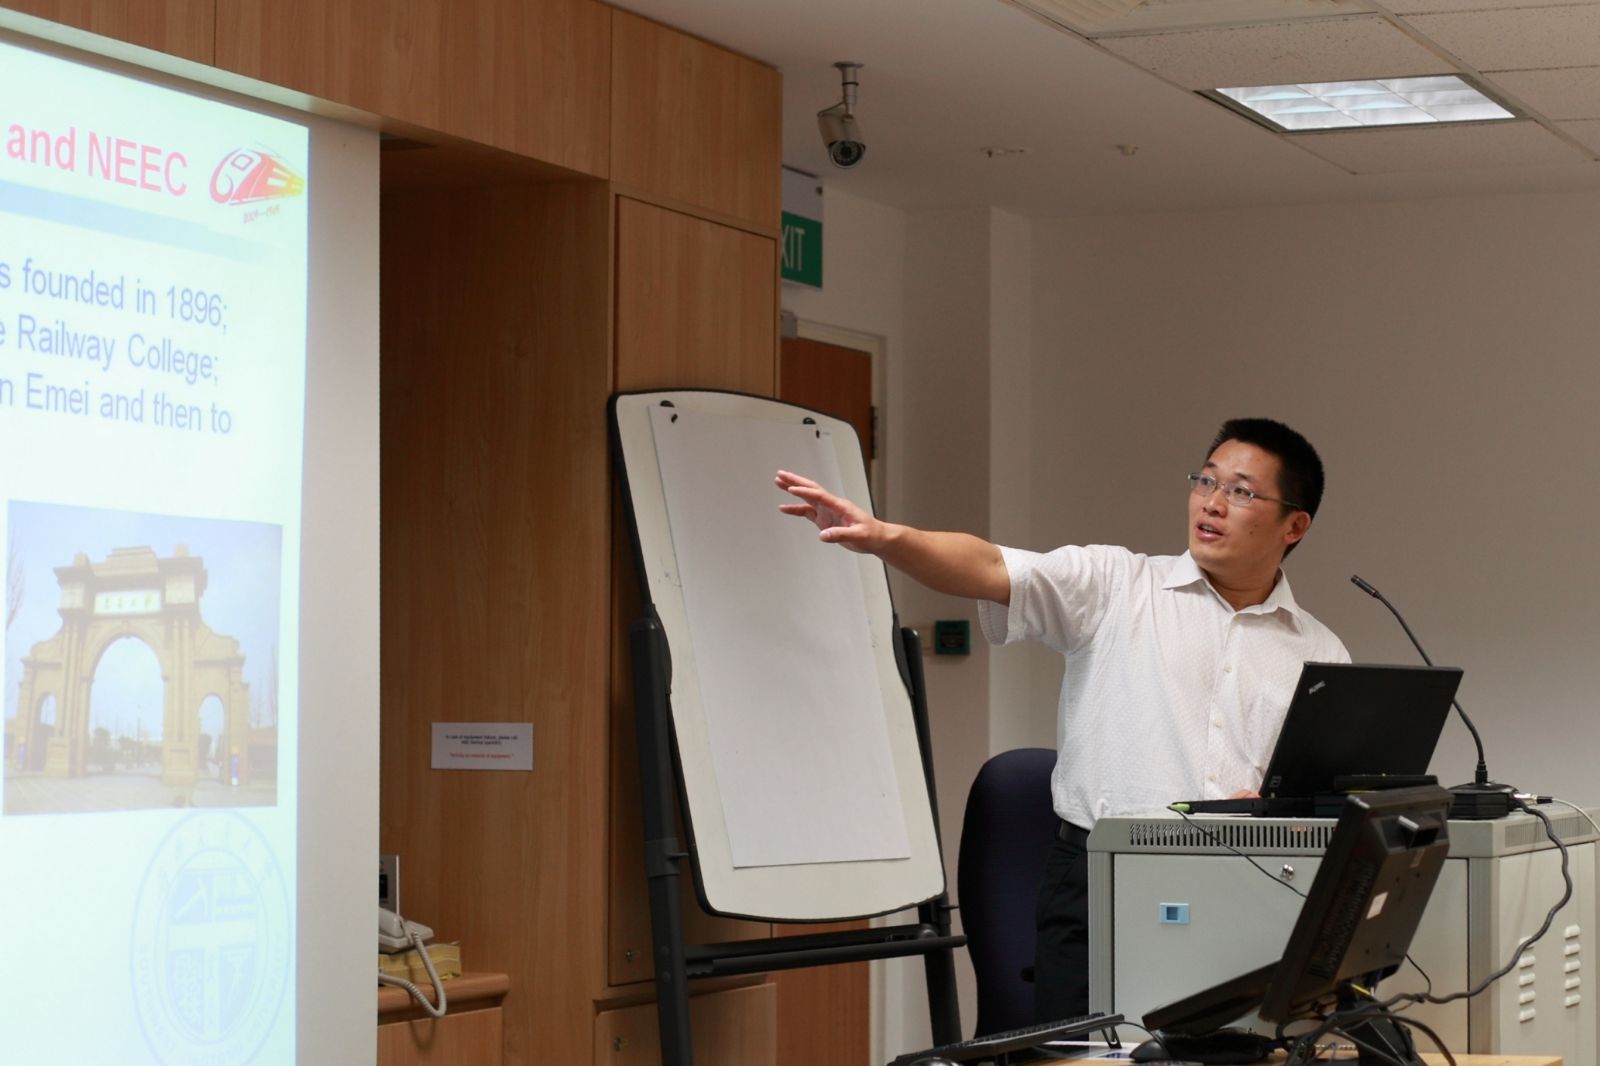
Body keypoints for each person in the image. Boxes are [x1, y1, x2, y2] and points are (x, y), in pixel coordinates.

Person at [775, 417, 1349, 1022]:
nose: (1212, 503)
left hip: (1246, 890)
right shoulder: (1116, 585)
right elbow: (990, 565)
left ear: (1294, 525)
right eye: (1205, 481)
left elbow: (1324, 800)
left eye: (1241, 491)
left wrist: (1276, 809)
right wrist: (885, 538)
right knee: (1087, 1057)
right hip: (1102, 885)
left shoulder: (1321, 655)